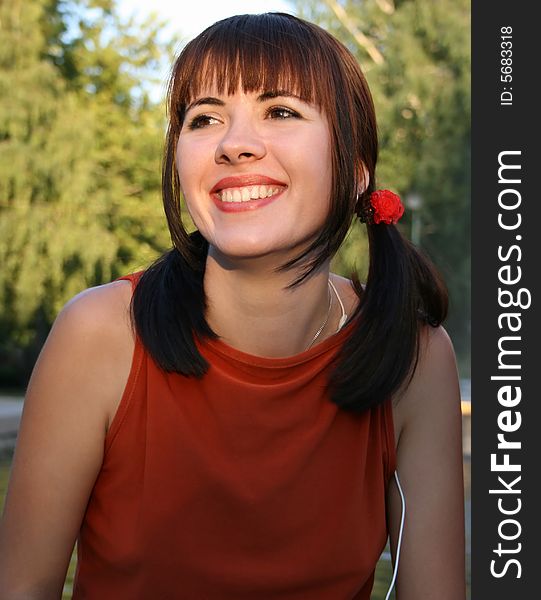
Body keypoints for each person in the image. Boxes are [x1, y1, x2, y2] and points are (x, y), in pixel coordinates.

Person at [0, 12, 465, 600]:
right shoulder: (100, 333)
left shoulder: (415, 357)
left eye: (281, 111)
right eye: (205, 119)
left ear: (354, 172)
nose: (233, 144)